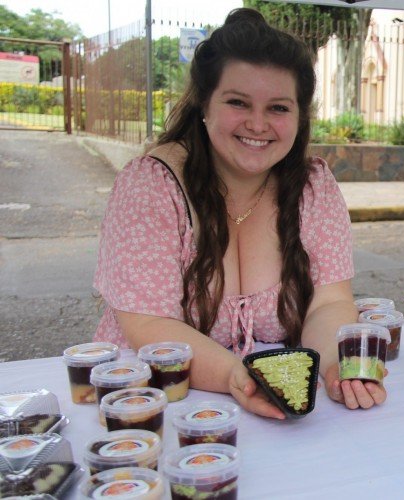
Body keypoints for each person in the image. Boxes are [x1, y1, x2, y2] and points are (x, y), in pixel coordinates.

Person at [93, 8, 386, 417]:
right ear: (204, 106)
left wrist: (334, 366)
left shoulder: (313, 186)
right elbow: (148, 325)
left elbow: (329, 302)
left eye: (279, 108)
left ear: (300, 117)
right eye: (238, 102)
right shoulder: (151, 185)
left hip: (270, 400)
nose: (258, 123)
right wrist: (240, 376)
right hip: (153, 403)